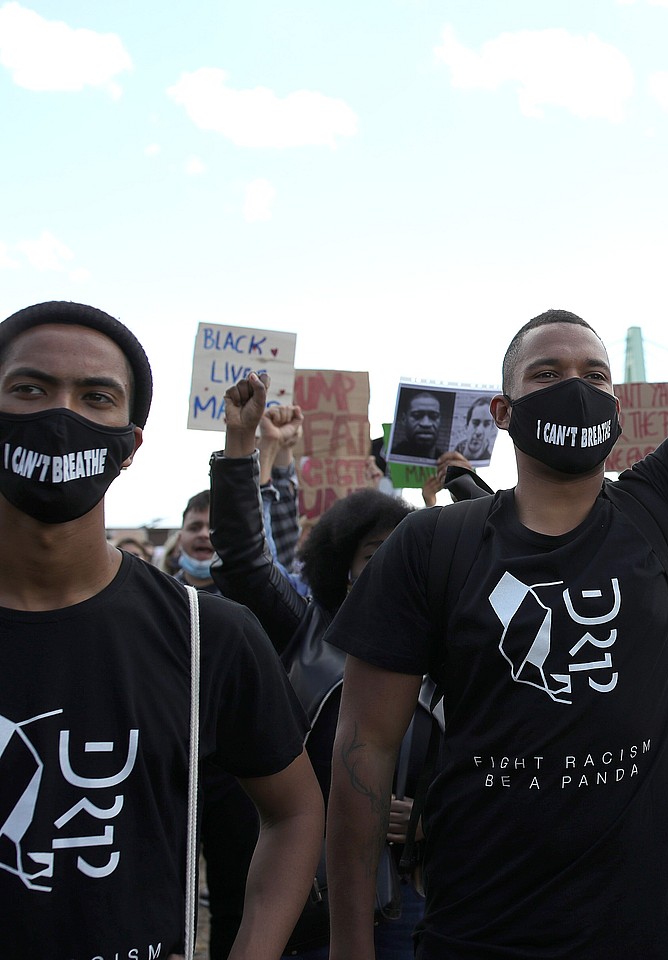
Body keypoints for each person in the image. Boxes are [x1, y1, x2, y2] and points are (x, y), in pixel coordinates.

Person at [323, 60, 668, 960]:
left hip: (650, 937)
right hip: (479, 936)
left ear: (620, 410)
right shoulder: (433, 546)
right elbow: (361, 762)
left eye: (593, 374)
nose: (574, 387)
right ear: (503, 413)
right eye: (546, 375)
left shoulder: (665, 508)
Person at [0, 300, 323, 958]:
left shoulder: (212, 638)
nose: (60, 416)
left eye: (95, 397)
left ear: (130, 445)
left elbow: (294, 813)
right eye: (30, 388)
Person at [209, 372, 432, 957]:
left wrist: (434, 818)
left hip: (417, 893)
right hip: (313, 892)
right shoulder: (308, 627)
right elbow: (247, 560)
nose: (388, 570)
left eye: (402, 557)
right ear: (343, 567)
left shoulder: (449, 651)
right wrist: (243, 447)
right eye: (372, 555)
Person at [176, 489, 217, 590]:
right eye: (194, 528)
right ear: (179, 539)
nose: (204, 534)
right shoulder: (162, 593)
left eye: (213, 528)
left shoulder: (247, 596)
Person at [389, 390, 447, 460]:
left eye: (434, 416)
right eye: (417, 416)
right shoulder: (383, 459)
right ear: (404, 419)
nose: (426, 424)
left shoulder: (448, 463)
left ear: (440, 420)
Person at [454, 395, 496, 462]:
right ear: (466, 426)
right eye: (475, 423)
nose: (479, 432)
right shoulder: (453, 452)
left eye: (486, 424)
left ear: (491, 429)